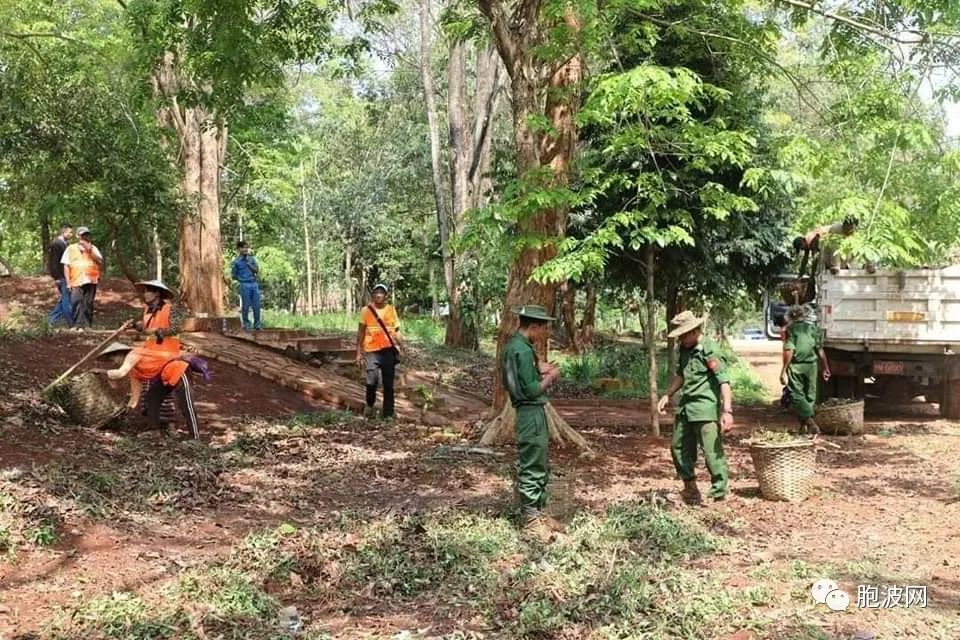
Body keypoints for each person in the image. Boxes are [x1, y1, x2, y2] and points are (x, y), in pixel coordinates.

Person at [658, 311, 733, 505]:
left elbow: (724, 382)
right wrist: (668, 394)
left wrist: (727, 411)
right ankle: (690, 489)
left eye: (683, 335)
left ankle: (719, 494)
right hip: (686, 407)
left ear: (694, 331)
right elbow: (681, 375)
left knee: (711, 452)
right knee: (678, 447)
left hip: (705, 409)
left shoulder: (710, 350)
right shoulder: (685, 349)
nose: (680, 340)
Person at [500, 304, 563, 537]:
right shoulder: (524, 350)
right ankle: (530, 520)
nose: (543, 335)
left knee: (538, 462)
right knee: (533, 465)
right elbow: (532, 390)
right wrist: (551, 377)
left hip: (526, 412)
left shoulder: (513, 347)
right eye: (542, 330)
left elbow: (514, 377)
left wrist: (538, 369)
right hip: (530, 412)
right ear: (533, 326)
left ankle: (538, 512)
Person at [92, 336, 206, 439]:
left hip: (179, 370)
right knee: (151, 397)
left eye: (113, 359)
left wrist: (101, 371)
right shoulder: (134, 371)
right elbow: (135, 398)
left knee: (186, 404)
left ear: (119, 354)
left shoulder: (134, 354)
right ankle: (154, 430)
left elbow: (120, 373)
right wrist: (123, 412)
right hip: (165, 375)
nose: (114, 362)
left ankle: (194, 437)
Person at [132, 279, 182, 429]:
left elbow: (176, 328)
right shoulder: (147, 310)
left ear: (157, 294)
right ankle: (152, 422)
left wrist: (158, 331)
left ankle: (170, 423)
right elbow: (146, 326)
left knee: (165, 387)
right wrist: (135, 325)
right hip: (151, 353)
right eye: (145, 291)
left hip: (167, 353)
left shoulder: (170, 309)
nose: (145, 294)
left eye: (148, 291)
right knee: (146, 384)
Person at [780, 304, 831, 437]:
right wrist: (825, 367)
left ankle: (810, 422)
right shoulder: (813, 328)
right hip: (812, 366)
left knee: (796, 395)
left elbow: (789, 350)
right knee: (810, 395)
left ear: (790, 317)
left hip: (796, 366)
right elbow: (820, 350)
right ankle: (805, 425)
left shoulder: (790, 329)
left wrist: (783, 370)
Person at [355, 284, 403, 420]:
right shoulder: (366, 310)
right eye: (376, 292)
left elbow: (396, 331)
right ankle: (369, 405)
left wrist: (402, 346)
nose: (378, 295)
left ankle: (388, 413)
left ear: (385, 295)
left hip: (388, 350)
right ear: (373, 295)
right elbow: (360, 332)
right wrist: (358, 352)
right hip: (371, 351)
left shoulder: (391, 310)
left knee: (388, 384)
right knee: (371, 382)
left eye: (381, 293)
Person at [61, 226, 103, 330]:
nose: (85, 237)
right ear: (77, 236)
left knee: (88, 303)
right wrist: (68, 282)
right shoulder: (70, 249)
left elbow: (100, 261)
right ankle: (77, 325)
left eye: (87, 235)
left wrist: (90, 251)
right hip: (76, 279)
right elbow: (66, 265)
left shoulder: (93, 248)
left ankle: (88, 325)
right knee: (76, 301)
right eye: (82, 235)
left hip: (91, 279)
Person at [231, 240, 262, 331]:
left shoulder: (251, 259)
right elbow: (234, 275)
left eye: (246, 247)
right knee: (246, 305)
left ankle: (257, 325)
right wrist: (242, 280)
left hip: (254, 284)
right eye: (243, 248)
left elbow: (256, 270)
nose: (245, 249)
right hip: (244, 285)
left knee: (257, 305)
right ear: (239, 249)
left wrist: (249, 264)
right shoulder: (236, 262)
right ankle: (246, 324)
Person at [47, 224, 74, 327]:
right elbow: (53, 262)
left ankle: (51, 320)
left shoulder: (64, 244)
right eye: (70, 232)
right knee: (67, 300)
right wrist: (57, 277)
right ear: (64, 232)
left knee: (64, 299)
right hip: (61, 277)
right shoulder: (57, 244)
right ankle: (71, 323)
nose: (71, 234)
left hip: (65, 276)